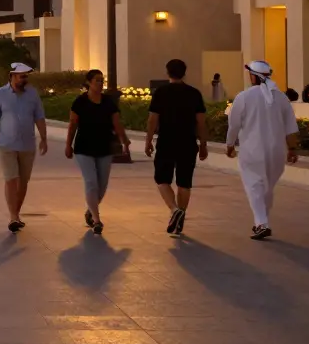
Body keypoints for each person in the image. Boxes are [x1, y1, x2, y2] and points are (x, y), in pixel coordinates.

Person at [227, 60, 300, 240]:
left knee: (254, 186)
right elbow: (291, 128)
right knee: (267, 188)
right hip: (277, 152)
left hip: (252, 151)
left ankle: (262, 223)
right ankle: (262, 222)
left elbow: (234, 125)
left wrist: (230, 145)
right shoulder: (281, 97)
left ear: (253, 76)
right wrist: (292, 149)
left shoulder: (243, 97)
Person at [145, 59, 209, 236]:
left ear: (167, 72)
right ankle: (180, 218)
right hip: (188, 142)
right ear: (184, 72)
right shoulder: (194, 94)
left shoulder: (161, 92)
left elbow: (152, 120)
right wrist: (203, 144)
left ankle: (174, 210)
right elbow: (201, 122)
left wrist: (148, 140)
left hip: (166, 141)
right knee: (184, 182)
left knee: (162, 179)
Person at [66, 69, 130, 234]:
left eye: (102, 81)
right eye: (97, 80)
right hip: (84, 148)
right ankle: (96, 219)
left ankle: (90, 210)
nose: (101, 84)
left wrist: (124, 141)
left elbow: (117, 123)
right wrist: (68, 145)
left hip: (104, 147)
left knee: (102, 185)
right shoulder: (80, 102)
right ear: (89, 82)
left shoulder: (108, 102)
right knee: (91, 182)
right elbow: (73, 124)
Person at [0, 63, 48, 232]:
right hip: (7, 144)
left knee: (23, 182)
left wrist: (44, 139)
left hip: (27, 145)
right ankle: (13, 216)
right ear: (12, 76)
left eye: (26, 77)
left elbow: (39, 117)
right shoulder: (0, 94)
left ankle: (16, 214)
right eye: (21, 77)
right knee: (11, 179)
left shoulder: (32, 94)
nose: (24, 80)